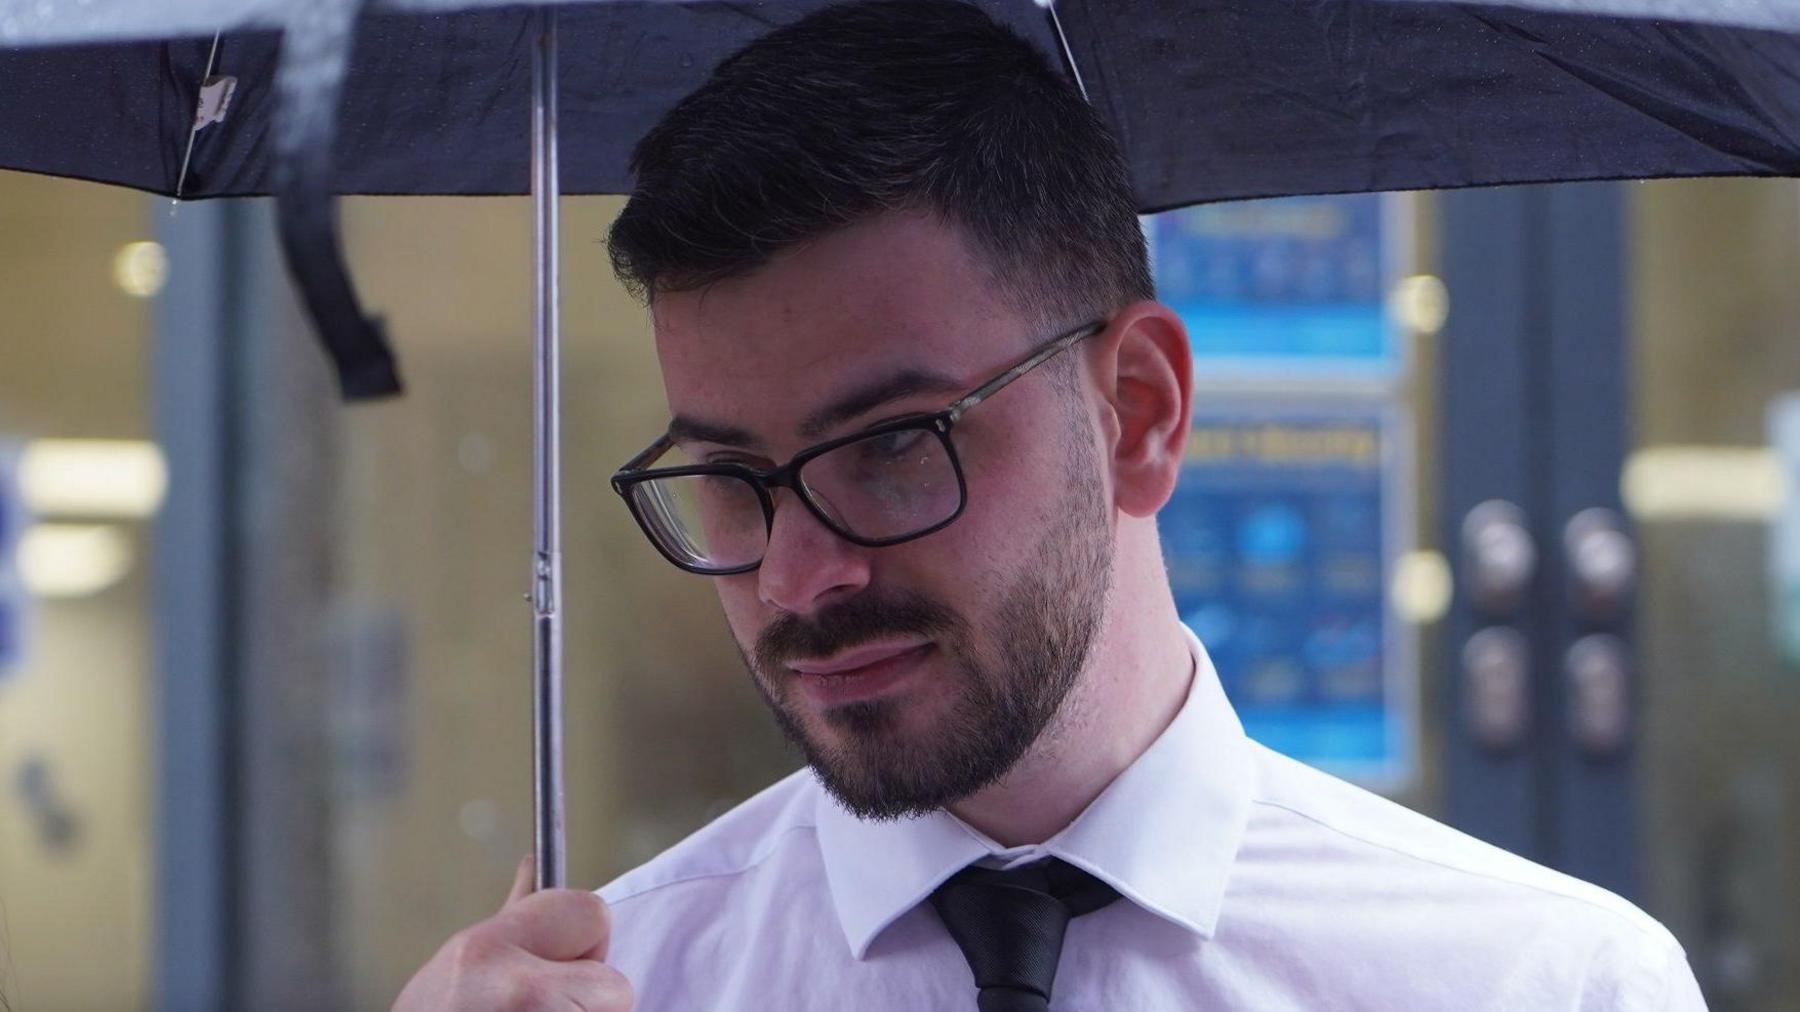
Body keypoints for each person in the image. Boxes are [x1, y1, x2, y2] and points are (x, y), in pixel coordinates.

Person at [395, 2, 1705, 1008]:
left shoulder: (1535, 984)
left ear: (1137, 411)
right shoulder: (635, 982)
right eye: (734, 482)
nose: (800, 581)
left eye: (894, 449)